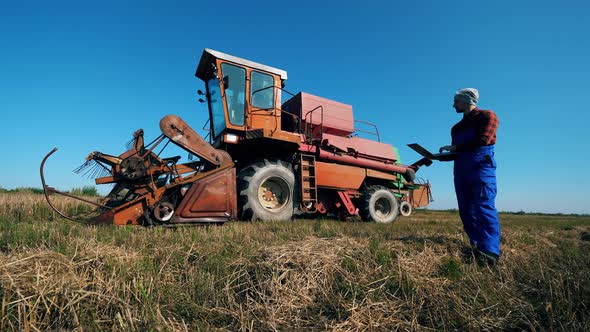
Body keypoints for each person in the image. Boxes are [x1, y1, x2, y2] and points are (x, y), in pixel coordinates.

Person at [439, 88, 501, 264]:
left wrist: (456, 149)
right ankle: (477, 246)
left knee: (484, 206)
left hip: (481, 167)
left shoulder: (488, 116)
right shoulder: (456, 128)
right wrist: (436, 157)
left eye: (456, 101)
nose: (453, 105)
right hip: (461, 170)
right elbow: (456, 153)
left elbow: (484, 140)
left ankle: (490, 252)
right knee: (466, 210)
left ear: (466, 100)